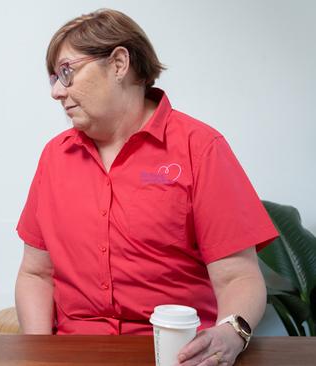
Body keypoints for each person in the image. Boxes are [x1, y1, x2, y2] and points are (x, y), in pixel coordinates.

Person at [15, 9, 277, 366]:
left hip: (180, 355)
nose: (57, 92)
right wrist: (39, 352)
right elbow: (36, 272)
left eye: (67, 72)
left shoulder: (200, 148)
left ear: (119, 63)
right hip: (75, 354)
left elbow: (238, 277)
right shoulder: (54, 157)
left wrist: (232, 331)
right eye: (53, 78)